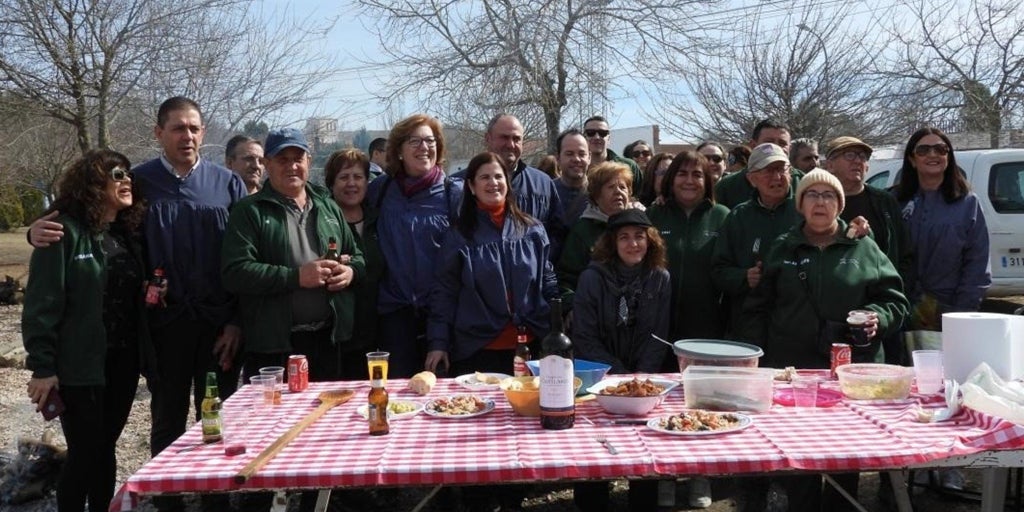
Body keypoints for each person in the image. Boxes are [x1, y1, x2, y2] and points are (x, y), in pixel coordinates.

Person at [29, 99, 248, 512]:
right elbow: (85, 213)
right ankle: (169, 501)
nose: (188, 136)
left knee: (215, 416)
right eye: (178, 128)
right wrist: (34, 230)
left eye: (195, 128)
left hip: (217, 326)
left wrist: (235, 320)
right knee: (166, 419)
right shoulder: (141, 182)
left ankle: (214, 500)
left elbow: (241, 256)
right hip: (161, 327)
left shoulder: (226, 183)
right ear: (158, 133)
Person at [742, 169, 908, 510]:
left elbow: (895, 300)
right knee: (799, 458)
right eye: (812, 195)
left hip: (851, 373)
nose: (821, 202)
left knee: (844, 458)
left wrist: (881, 317)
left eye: (829, 195)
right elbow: (758, 307)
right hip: (793, 373)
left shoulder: (864, 246)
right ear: (801, 204)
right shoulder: (782, 246)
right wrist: (758, 364)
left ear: (840, 204)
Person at [22, 149, 154, 512]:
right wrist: (43, 366)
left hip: (123, 361)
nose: (127, 180)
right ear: (93, 184)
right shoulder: (62, 233)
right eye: (116, 174)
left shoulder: (126, 234)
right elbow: (41, 304)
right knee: (84, 452)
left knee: (106, 446)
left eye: (128, 174)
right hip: (79, 364)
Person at [222, 128, 364, 383]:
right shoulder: (249, 211)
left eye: (298, 158)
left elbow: (358, 256)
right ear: (267, 164)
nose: (292, 166)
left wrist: (350, 272)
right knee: (273, 421)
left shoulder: (327, 205)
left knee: (326, 418)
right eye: (282, 159)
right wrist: (296, 277)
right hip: (273, 345)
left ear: (309, 161)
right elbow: (235, 272)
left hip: (327, 341)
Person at [572, 208, 669, 512]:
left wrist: (639, 378)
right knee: (593, 443)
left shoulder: (660, 277)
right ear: (612, 243)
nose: (633, 244)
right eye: (624, 237)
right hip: (600, 377)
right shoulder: (592, 277)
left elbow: (659, 333)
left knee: (646, 444)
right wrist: (617, 376)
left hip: (643, 380)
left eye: (639, 236)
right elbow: (584, 336)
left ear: (650, 240)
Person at [427, 152, 557, 376]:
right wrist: (438, 343)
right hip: (478, 350)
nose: (493, 183)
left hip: (530, 346)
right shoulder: (459, 236)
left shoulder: (532, 230)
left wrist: (557, 328)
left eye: (499, 176)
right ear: (471, 186)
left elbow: (547, 281)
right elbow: (445, 293)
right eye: (485, 177)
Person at [367, 114, 463, 378]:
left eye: (430, 141)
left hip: (442, 313)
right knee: (398, 396)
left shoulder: (453, 193)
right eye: (415, 141)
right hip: (394, 313)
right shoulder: (380, 191)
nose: (425, 147)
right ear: (398, 150)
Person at [824, 136, 913, 364]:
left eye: (863, 157)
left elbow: (904, 253)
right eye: (850, 155)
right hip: (831, 308)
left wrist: (897, 296)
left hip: (878, 309)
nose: (858, 162)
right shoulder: (818, 201)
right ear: (830, 164)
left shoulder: (884, 202)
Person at [896, 127, 991, 331]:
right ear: (912, 159)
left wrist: (962, 313)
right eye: (923, 150)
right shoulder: (895, 202)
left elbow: (977, 263)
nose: (932, 154)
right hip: (899, 310)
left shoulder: (968, 203)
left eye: (940, 149)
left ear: (948, 157)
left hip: (949, 310)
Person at [711, 143, 801, 338]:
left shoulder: (805, 209)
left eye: (781, 169)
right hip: (749, 324)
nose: (777, 177)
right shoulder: (738, 216)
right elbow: (718, 270)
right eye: (768, 171)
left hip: (797, 322)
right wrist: (744, 277)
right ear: (752, 179)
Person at [648, 151, 731, 346]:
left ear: (707, 181)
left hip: (709, 327)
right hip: (659, 325)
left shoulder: (723, 216)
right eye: (682, 173)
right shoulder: (654, 214)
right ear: (672, 179)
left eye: (697, 174)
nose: (689, 180)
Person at [459, 114, 565, 259]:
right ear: (488, 139)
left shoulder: (543, 184)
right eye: (504, 137)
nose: (510, 144)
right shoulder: (459, 184)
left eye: (516, 139)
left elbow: (557, 233)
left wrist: (538, 266)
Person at [324, 148, 386, 378]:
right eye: (343, 177)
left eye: (358, 177)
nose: (351, 184)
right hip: (337, 333)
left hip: (376, 328)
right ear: (332, 183)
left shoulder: (378, 218)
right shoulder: (322, 219)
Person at [557, 161, 638, 308]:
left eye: (622, 187)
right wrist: (571, 307)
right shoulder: (583, 230)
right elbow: (566, 279)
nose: (618, 192)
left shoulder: (641, 226)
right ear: (597, 195)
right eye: (611, 187)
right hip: (595, 313)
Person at [714, 119, 803, 209]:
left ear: (790, 148)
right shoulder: (727, 187)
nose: (776, 147)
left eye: (782, 143)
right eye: (769, 142)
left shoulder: (803, 183)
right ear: (753, 145)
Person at [583, 115, 643, 195]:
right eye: (591, 133)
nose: (597, 137)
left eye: (602, 133)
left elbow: (643, 197)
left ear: (609, 138)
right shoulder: (576, 167)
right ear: (583, 137)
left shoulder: (629, 166)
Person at [552, 128, 591, 226]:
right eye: (569, 154)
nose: (576, 159)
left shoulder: (599, 194)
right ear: (558, 158)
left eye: (582, 154)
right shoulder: (546, 193)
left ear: (589, 158)